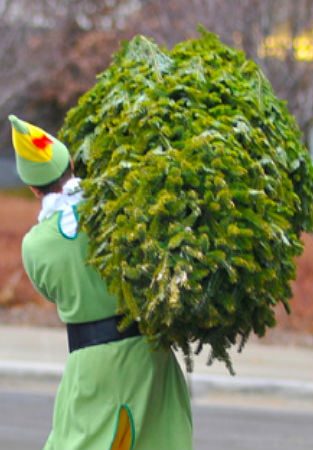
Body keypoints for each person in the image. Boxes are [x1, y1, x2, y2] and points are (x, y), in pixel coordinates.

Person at [9, 115, 193, 450]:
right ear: (73, 165)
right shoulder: (117, 211)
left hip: (92, 365)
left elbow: (52, 291)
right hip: (149, 352)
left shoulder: (35, 245)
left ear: (33, 188)